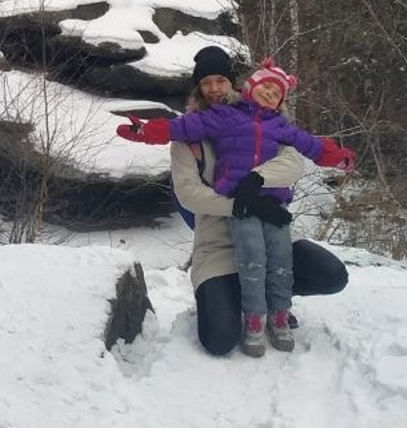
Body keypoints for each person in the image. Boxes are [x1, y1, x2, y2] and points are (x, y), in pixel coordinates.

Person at [118, 45, 351, 357]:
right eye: (206, 82)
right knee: (219, 340)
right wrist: (244, 204)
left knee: (332, 274)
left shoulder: (263, 118)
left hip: (269, 229)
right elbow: (189, 195)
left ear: (234, 83)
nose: (214, 88)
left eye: (221, 80)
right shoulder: (189, 136)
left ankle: (269, 296)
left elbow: (294, 163)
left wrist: (257, 182)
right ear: (198, 88)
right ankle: (239, 296)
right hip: (218, 246)